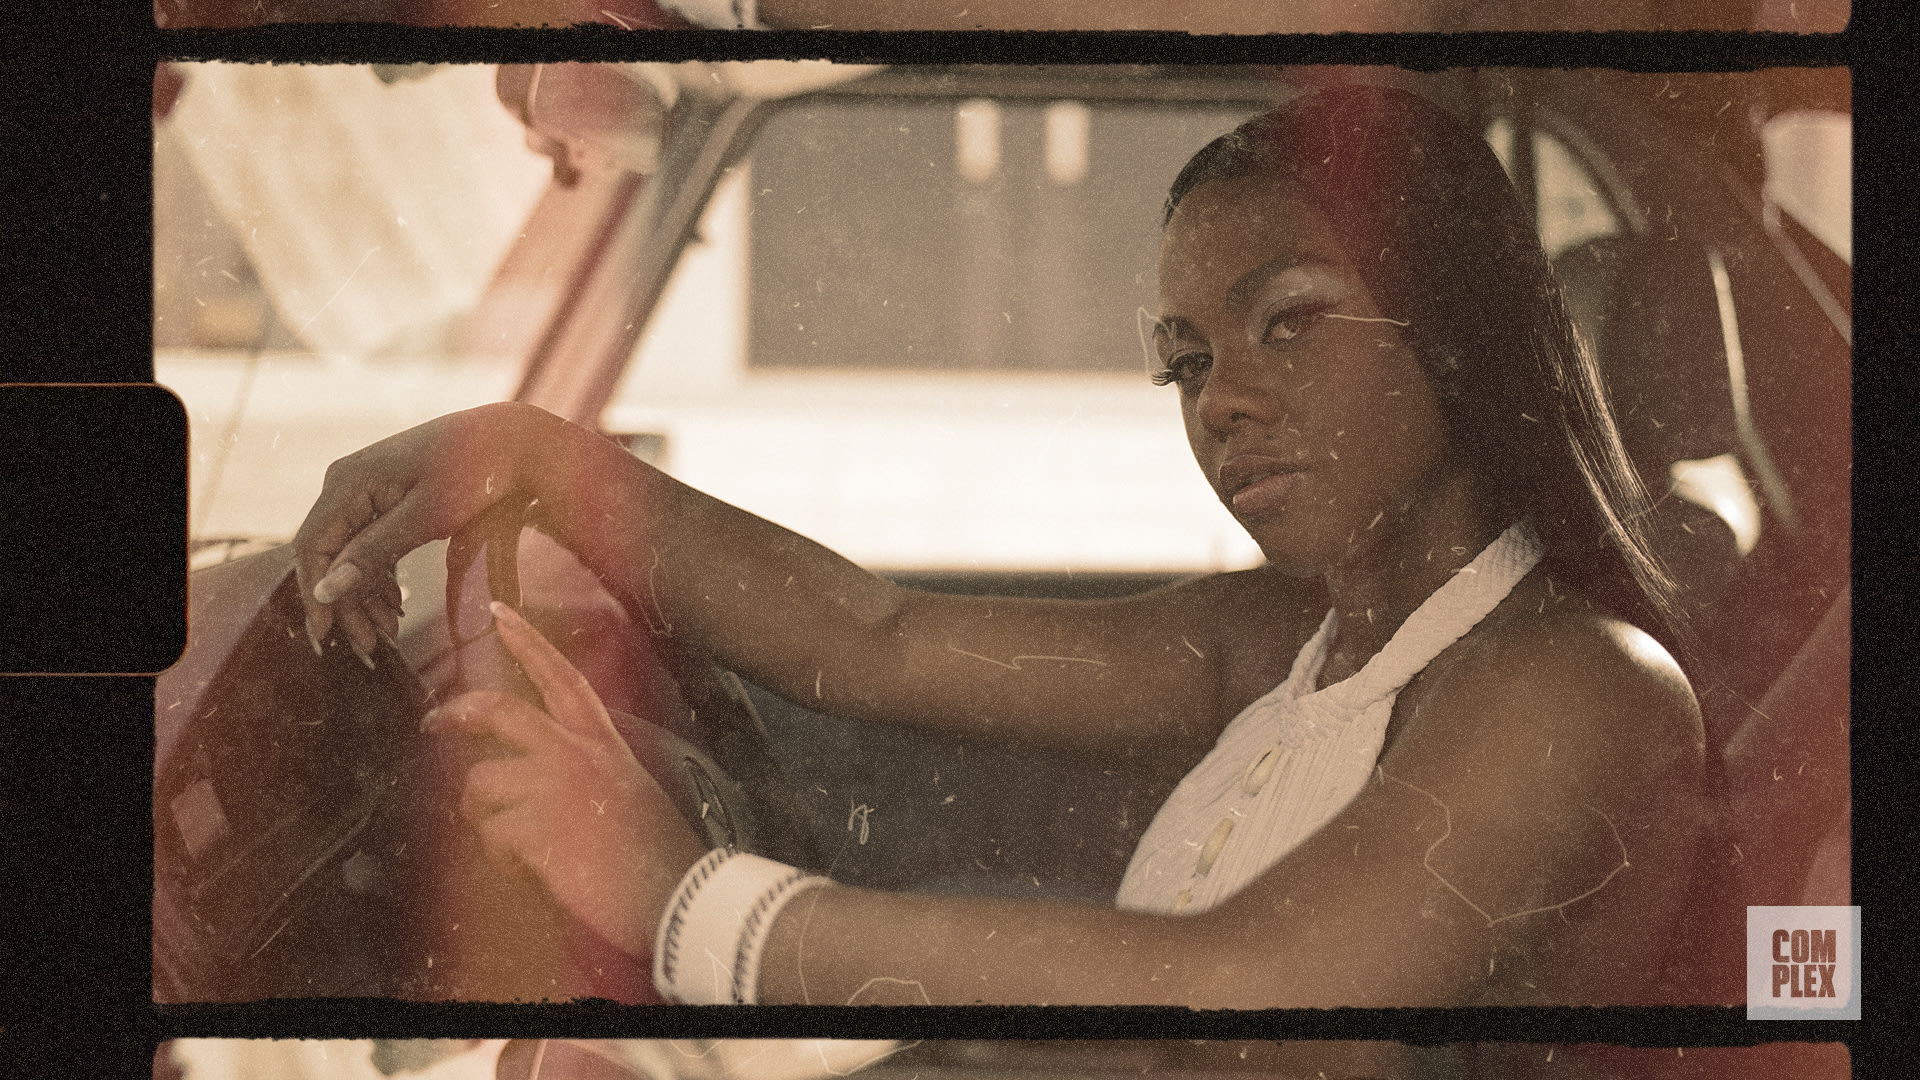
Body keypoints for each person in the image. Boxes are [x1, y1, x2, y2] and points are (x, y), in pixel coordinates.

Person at [292, 86, 1716, 1007]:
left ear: (1457, 331)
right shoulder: (1292, 634)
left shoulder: (1582, 685)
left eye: (1291, 321)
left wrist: (685, 900)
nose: (1221, 397)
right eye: (1186, 359)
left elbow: (1243, 984)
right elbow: (875, 637)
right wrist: (542, 456)